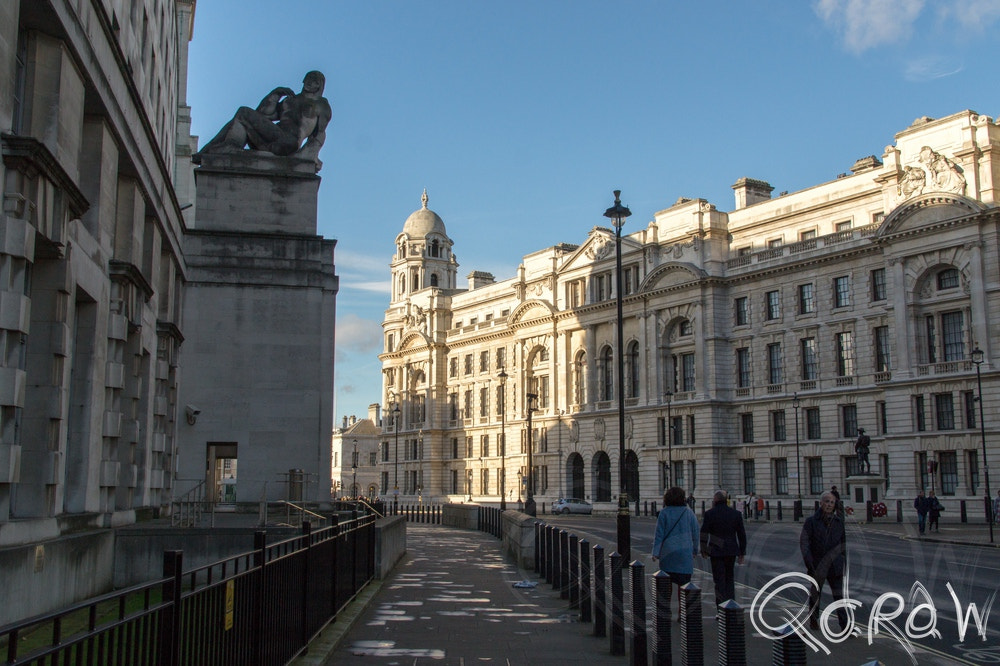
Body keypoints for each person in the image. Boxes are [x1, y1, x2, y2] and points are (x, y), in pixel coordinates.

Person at [194, 70, 332, 170]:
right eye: (308, 78)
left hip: (289, 142)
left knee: (243, 112)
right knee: (241, 118)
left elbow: (320, 134)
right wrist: (276, 93)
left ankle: (226, 146)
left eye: (315, 80)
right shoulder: (290, 100)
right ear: (303, 80)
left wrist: (309, 156)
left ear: (319, 85)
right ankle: (227, 146)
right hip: (274, 137)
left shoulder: (321, 104)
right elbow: (263, 114)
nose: (310, 82)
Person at [800, 491, 848, 632]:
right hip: (818, 565)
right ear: (821, 503)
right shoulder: (811, 522)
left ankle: (845, 626)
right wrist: (810, 562)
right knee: (815, 595)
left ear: (835, 505)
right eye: (826, 501)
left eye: (832, 502)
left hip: (835, 565)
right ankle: (814, 621)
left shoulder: (839, 522)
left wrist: (843, 562)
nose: (829, 504)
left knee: (839, 597)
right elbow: (804, 543)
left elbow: (843, 544)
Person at [652, 486, 700, 619]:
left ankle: (666, 611)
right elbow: (696, 533)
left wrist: (656, 552)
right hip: (685, 553)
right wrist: (696, 550)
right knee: (684, 585)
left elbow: (659, 535)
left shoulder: (664, 513)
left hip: (668, 554)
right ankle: (682, 612)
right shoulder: (688, 513)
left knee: (666, 585)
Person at [700, 490, 747, 606]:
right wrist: (742, 552)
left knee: (719, 581)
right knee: (729, 579)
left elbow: (704, 533)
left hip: (715, 551)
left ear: (715, 501)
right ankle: (731, 606)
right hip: (731, 550)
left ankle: (721, 608)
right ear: (726, 501)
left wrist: (704, 549)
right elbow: (741, 534)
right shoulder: (735, 514)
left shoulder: (710, 514)